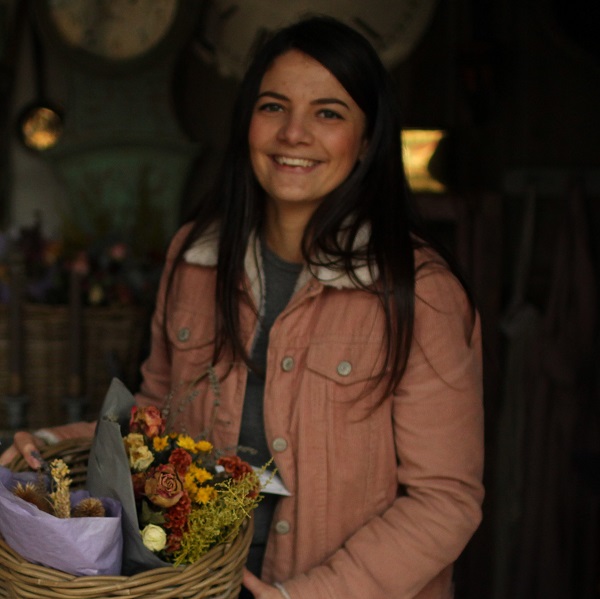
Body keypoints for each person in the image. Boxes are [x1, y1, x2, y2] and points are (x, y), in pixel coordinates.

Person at [0, 15, 484, 598]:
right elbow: (161, 419)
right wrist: (52, 445)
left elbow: (444, 500)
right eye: (274, 106)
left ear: (367, 141)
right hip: (191, 583)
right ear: (247, 121)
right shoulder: (197, 258)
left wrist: (296, 596)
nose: (294, 134)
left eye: (328, 113)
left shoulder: (418, 293)